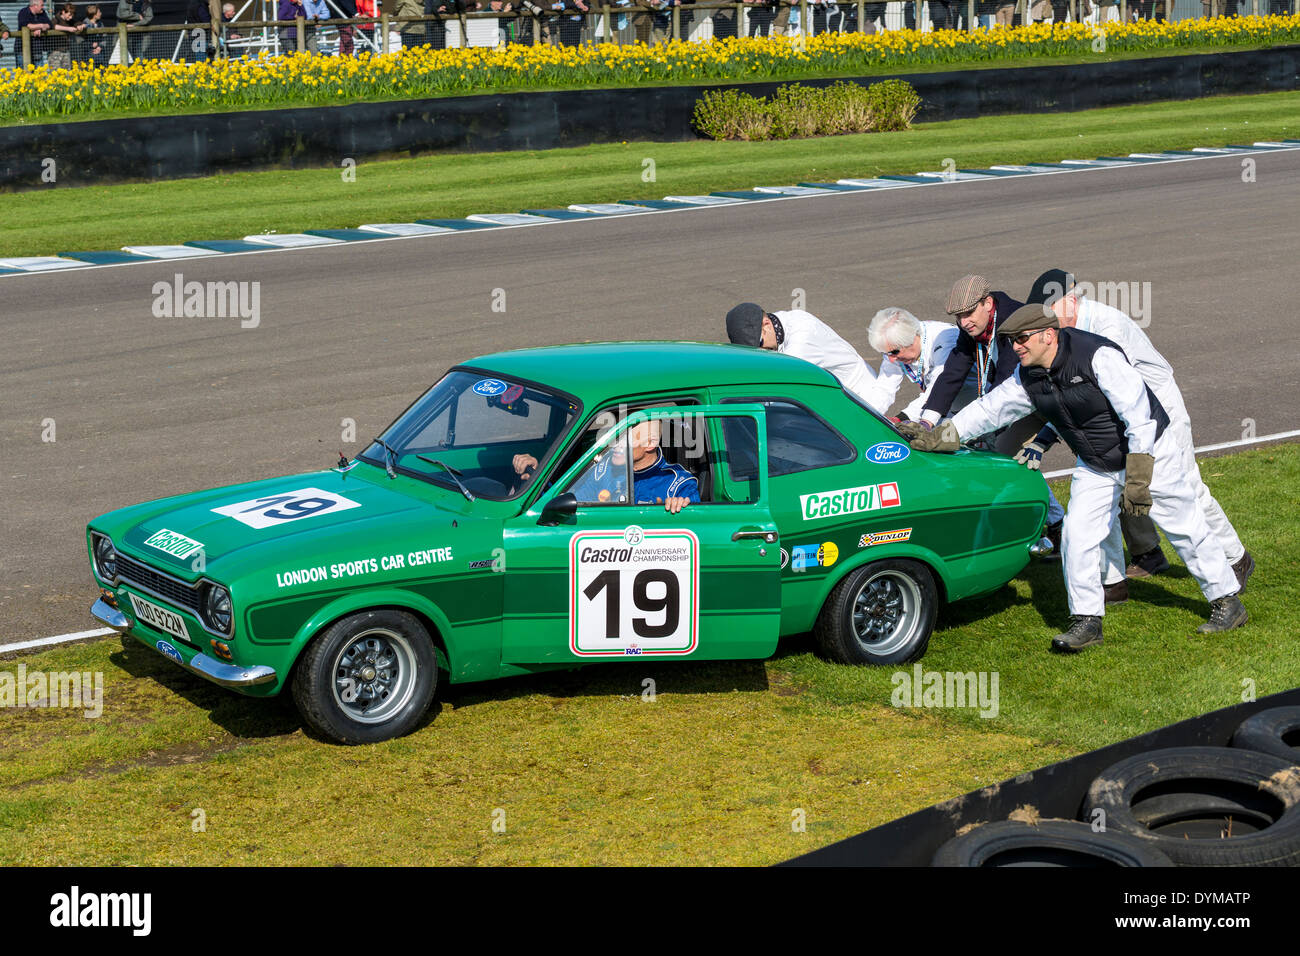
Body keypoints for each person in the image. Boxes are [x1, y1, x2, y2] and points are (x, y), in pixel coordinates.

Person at [902, 305, 1247, 652]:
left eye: (1022, 340)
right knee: (1076, 536)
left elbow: (1140, 417)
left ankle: (1226, 601)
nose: (1016, 347)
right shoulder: (1028, 374)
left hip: (1150, 451)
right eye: (1012, 341)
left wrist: (1139, 477)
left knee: (1184, 527)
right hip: (1095, 462)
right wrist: (943, 434)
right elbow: (991, 409)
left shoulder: (1098, 355)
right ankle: (1086, 620)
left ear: (1048, 336)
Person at [1025, 269, 1254, 596]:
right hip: (1118, 416)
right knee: (1111, 492)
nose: (1043, 322)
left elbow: (1101, 392)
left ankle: (1236, 558)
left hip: (1159, 414)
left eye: (1048, 311)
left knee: (1187, 488)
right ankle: (1129, 570)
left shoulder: (1108, 327)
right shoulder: (1069, 332)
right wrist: (1048, 434)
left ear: (1070, 300)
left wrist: (1049, 434)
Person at [918, 275, 1066, 552]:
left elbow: (1007, 385)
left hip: (1059, 398)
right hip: (1024, 399)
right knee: (1005, 454)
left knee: (1101, 468)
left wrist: (974, 428)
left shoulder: (1013, 320)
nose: (963, 323)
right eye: (958, 317)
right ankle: (1055, 524)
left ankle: (1144, 551)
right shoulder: (974, 325)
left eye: (968, 314)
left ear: (988, 303)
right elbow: (953, 372)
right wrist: (927, 420)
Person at [513, 418, 698, 513]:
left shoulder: (678, 483)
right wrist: (540, 479)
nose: (616, 445)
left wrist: (678, 509)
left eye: (625, 439)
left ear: (650, 444)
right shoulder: (604, 470)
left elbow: (701, 525)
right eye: (615, 436)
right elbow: (568, 501)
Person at [724, 302, 879, 406]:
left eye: (759, 344)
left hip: (861, 397)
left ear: (767, 324)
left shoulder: (802, 340)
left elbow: (777, 388)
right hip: (835, 395)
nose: (761, 351)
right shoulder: (775, 323)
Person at [866, 306, 970, 423]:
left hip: (974, 404)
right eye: (885, 353)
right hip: (948, 407)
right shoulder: (894, 347)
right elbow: (884, 387)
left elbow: (938, 388)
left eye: (894, 352)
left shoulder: (945, 340)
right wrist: (867, 416)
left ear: (913, 338)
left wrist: (902, 418)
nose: (891, 359)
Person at [18, 0, 54, 67]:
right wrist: (40, 26)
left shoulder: (42, 13)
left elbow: (50, 25)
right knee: (24, 73)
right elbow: (26, 25)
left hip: (37, 49)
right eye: (42, 5)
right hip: (22, 51)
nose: (43, 7)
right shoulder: (23, 12)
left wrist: (40, 28)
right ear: (35, 6)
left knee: (39, 74)